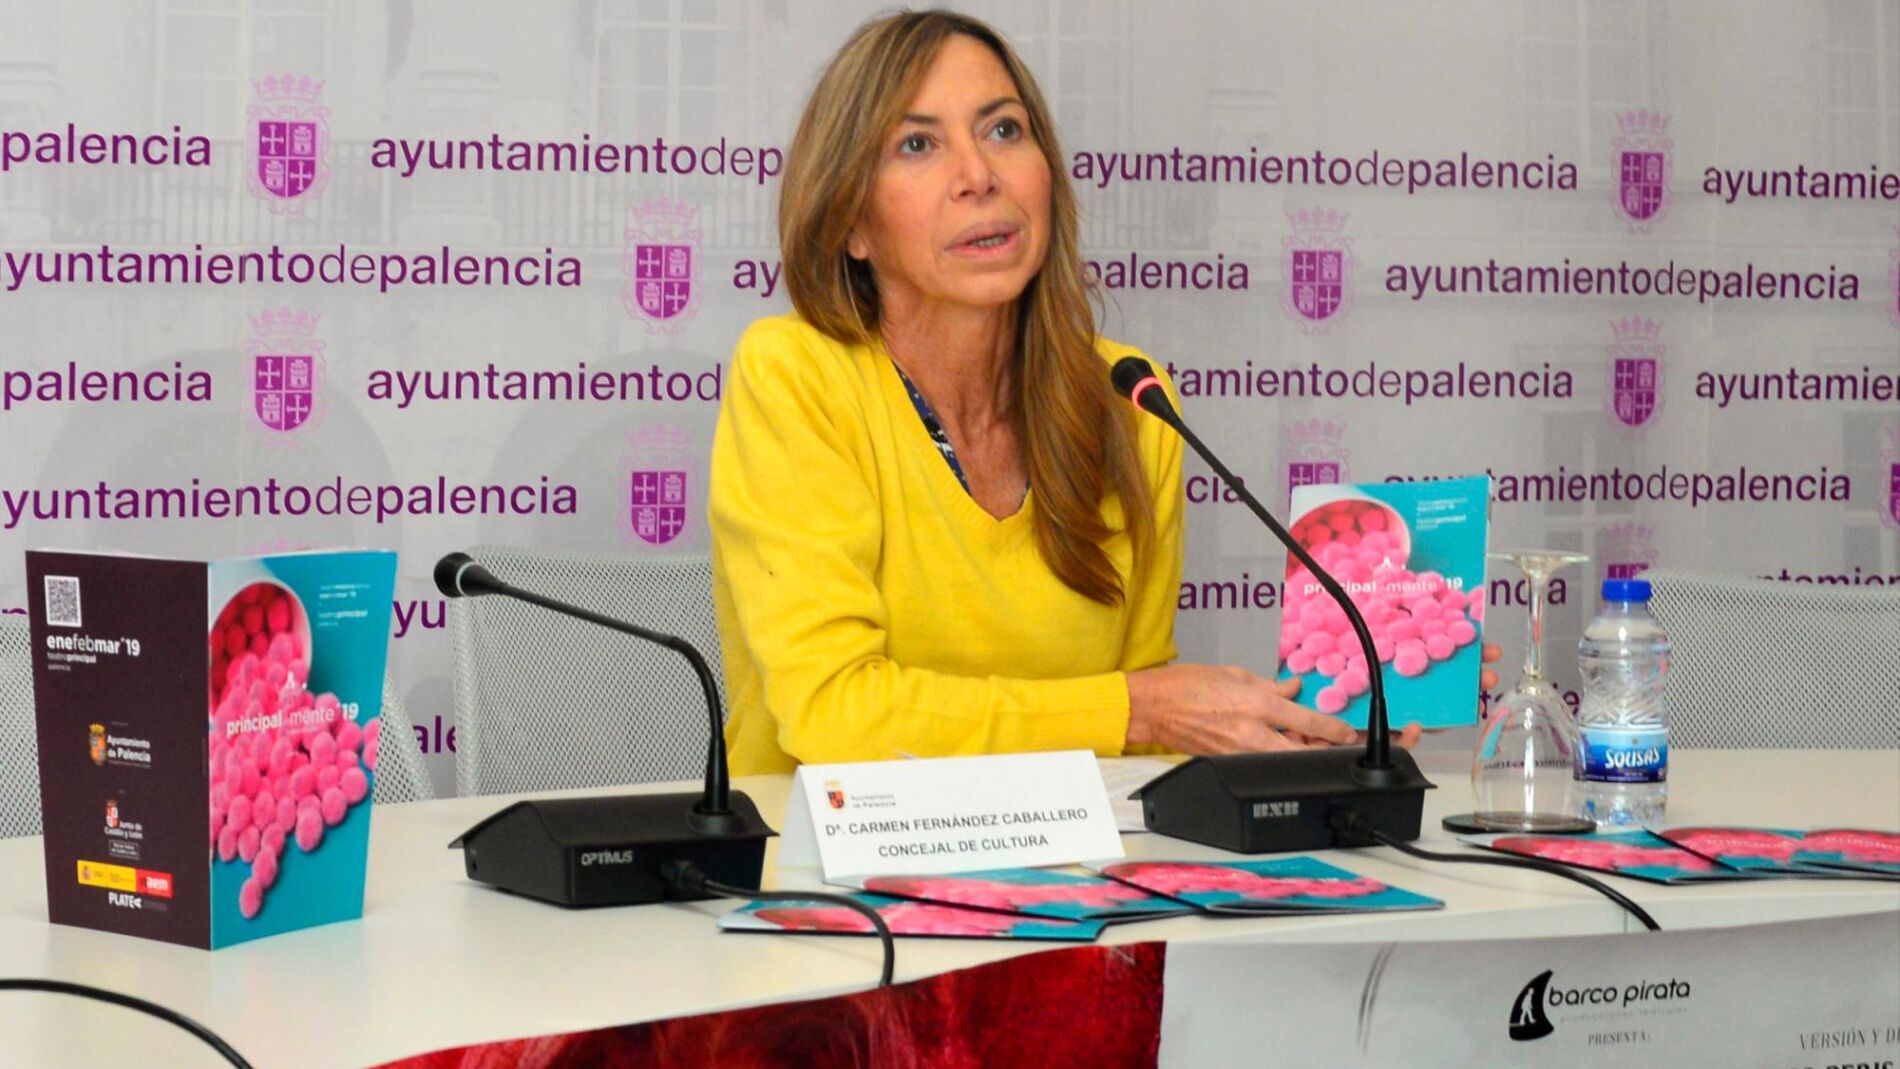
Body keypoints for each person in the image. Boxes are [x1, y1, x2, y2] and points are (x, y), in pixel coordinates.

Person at [709, 10, 1493, 776]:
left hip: (1067, 851)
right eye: (917, 144)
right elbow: (835, 713)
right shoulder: (796, 375)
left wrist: (1300, 726)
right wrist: (1139, 709)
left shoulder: (1130, 400)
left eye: (1004, 130)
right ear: (851, 221)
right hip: (828, 852)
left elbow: (1138, 741)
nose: (978, 176)